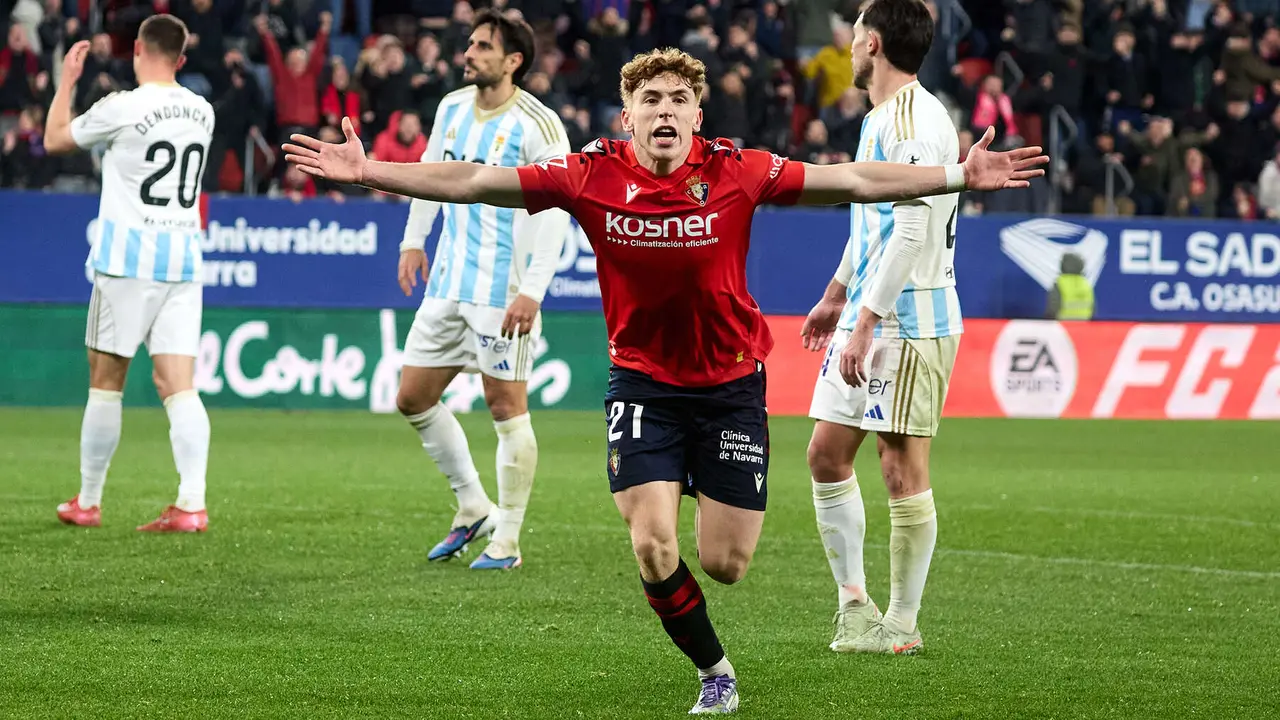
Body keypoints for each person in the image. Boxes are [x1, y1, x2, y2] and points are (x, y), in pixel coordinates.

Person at [282, 47, 1045, 715]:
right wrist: (372, 171)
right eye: (651, 99)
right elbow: (475, 178)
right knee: (652, 545)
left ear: (697, 113)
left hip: (730, 389)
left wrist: (954, 176)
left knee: (726, 563)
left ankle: (688, 494)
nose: (666, 109)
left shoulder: (738, 170)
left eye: (680, 98)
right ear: (627, 118)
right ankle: (715, 673)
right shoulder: (589, 175)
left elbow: (850, 176)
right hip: (643, 386)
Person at [800, 0, 966, 656]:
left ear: (871, 42)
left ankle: (901, 623)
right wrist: (837, 293)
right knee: (825, 453)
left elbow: (913, 228)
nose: (846, 44)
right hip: (873, 311)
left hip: (909, 318)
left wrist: (866, 317)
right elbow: (871, 226)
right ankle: (855, 605)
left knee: (901, 467)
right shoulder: (883, 118)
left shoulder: (913, 122)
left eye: (853, 33)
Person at [395, 9, 571, 570]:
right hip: (447, 282)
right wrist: (412, 240)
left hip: (504, 290)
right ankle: (474, 506)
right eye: (469, 44)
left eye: (481, 46)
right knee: (413, 397)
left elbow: (555, 212)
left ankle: (509, 542)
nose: (467, 53)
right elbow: (429, 174)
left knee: (505, 406)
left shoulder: (537, 124)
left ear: (513, 60)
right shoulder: (450, 107)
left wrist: (533, 291)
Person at [42, 16, 215, 532]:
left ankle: (89, 501)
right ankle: (191, 503)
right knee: (179, 386)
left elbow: (54, 140)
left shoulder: (121, 107)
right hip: (183, 260)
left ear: (137, 48)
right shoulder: (202, 111)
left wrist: (68, 80)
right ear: (182, 59)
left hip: (126, 262)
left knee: (106, 383)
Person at [1045, 252, 1094, 320]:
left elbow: (1053, 306)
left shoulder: (1060, 282)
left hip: (1063, 324)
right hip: (1084, 323)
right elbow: (1093, 307)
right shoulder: (1085, 283)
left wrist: (1049, 319)